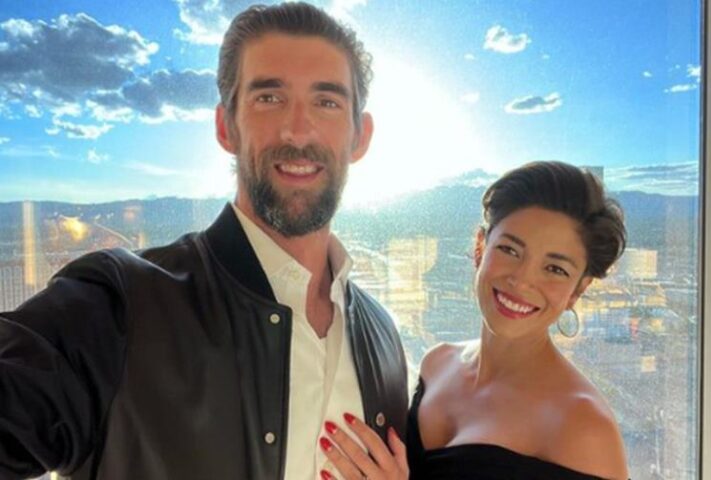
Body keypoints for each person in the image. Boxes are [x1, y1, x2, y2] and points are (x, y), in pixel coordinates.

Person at [0, 3, 408, 479]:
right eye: (269, 98)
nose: (298, 130)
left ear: (360, 136)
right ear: (225, 127)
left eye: (327, 102)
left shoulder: (382, 337)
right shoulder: (122, 304)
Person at [319, 161, 629, 480]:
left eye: (555, 269)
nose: (522, 281)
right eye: (510, 250)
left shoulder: (585, 427)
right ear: (480, 247)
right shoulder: (437, 364)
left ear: (578, 290)